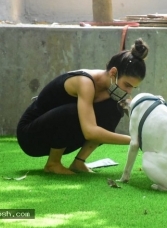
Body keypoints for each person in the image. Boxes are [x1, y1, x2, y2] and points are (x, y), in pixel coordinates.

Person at [16, 38, 149, 175]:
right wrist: (135, 140)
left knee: (114, 109)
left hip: (60, 136)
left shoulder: (112, 91)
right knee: (73, 112)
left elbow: (135, 114)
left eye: (133, 88)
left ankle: (78, 162)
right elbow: (90, 131)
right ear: (113, 73)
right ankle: (53, 163)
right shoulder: (85, 82)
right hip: (31, 136)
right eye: (127, 85)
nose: (129, 92)